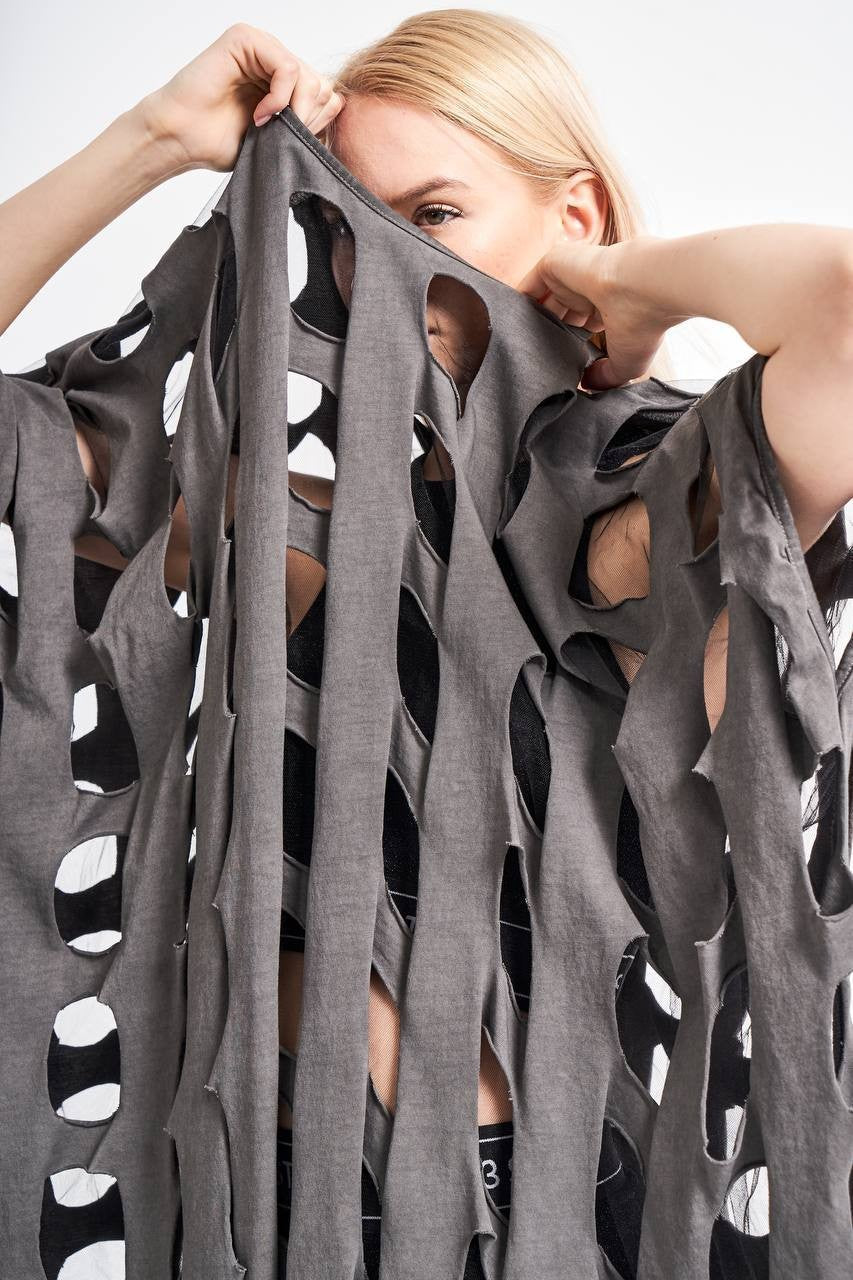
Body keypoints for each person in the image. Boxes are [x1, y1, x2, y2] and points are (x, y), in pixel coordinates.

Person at [2, 12, 851, 1278]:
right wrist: (153, 140)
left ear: (574, 212)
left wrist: (632, 282)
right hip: (252, 1195)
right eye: (346, 233)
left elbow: (842, 306)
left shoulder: (636, 515)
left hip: (519, 1211)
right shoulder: (289, 527)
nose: (380, 274)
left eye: (434, 214)